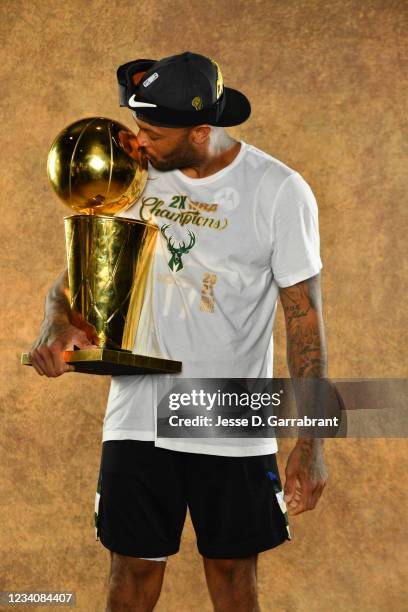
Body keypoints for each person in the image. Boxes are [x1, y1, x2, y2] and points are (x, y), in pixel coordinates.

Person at [29, 52, 329, 612]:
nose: (138, 144)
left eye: (153, 134)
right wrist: (56, 323)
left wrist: (310, 445)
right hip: (139, 413)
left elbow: (304, 323)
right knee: (131, 576)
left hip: (230, 416)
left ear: (200, 131)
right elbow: (72, 281)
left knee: (234, 577)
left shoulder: (279, 191)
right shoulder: (134, 179)